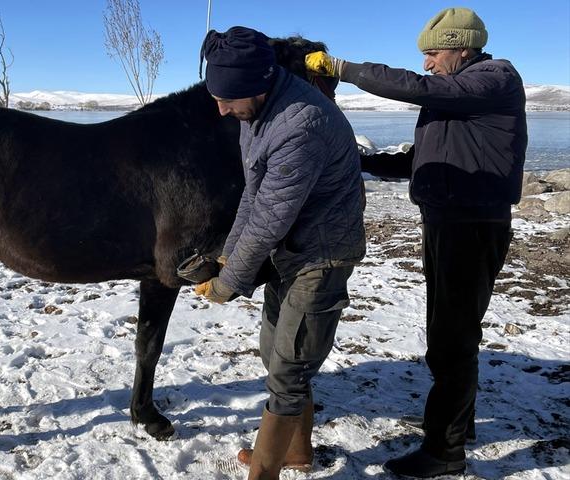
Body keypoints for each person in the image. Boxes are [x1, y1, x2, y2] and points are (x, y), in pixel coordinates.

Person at [305, 7, 526, 478]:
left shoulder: (494, 79)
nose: (427, 63)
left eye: (434, 53)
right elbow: (420, 160)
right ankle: (457, 423)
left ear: (462, 48)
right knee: (451, 331)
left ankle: (445, 452)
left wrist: (343, 68)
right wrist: (362, 161)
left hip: (471, 225)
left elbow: (417, 87)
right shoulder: (459, 98)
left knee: (452, 339)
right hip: (448, 221)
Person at [195, 26, 365, 480]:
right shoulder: (258, 113)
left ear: (259, 83)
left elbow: (270, 217)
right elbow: (253, 195)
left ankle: (264, 472)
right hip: (292, 251)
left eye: (228, 99)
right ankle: (296, 451)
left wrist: (229, 283)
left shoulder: (301, 123)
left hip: (322, 255)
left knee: (289, 368)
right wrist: (228, 257)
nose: (222, 109)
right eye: (217, 97)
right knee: (274, 353)